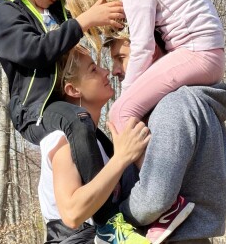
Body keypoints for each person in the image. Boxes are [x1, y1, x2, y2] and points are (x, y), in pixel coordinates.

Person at [65, 0, 225, 134]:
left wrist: (126, 94)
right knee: (138, 112)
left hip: (197, 53)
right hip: (204, 54)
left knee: (120, 114)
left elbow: (143, 48)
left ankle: (135, 163)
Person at [0, 0, 126, 151]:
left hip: (66, 107)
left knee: (107, 147)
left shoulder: (56, 7)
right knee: (79, 122)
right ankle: (97, 184)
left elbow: (94, 11)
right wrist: (82, 23)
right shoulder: (6, 11)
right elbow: (35, 51)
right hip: (36, 111)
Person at [105, 36, 226, 243]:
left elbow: (154, 199)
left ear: (149, 51)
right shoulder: (188, 103)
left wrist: (113, 219)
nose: (115, 70)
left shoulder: (174, 106)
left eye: (121, 58)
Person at [38, 44, 152, 244]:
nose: (106, 71)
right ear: (73, 89)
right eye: (93, 69)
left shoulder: (98, 141)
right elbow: (72, 213)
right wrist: (121, 159)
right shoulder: (62, 140)